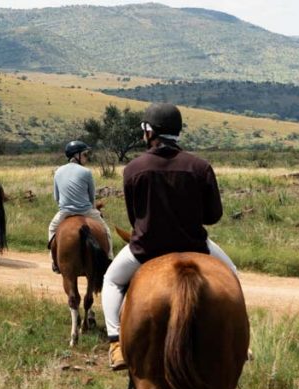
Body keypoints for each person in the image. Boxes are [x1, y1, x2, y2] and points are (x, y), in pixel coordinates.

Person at [102, 103, 238, 371]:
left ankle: (116, 343)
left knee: (112, 281)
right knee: (231, 274)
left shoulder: (133, 169)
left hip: (146, 249)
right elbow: (213, 216)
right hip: (195, 247)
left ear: (150, 132)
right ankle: (237, 341)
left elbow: (134, 218)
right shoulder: (200, 167)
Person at [46, 140, 112, 273]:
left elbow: (56, 197)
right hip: (86, 211)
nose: (87, 157)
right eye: (85, 154)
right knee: (106, 231)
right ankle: (109, 257)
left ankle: (54, 261)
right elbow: (92, 196)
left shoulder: (58, 171)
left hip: (65, 212)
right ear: (77, 155)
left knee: (52, 228)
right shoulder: (86, 172)